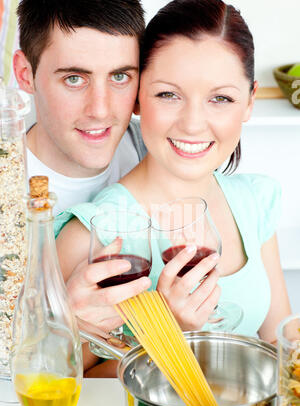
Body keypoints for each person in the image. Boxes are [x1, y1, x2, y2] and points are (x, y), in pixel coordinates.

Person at [56, 0, 292, 377]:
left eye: (221, 98)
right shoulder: (92, 234)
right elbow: (72, 385)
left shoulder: (254, 201)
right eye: (168, 94)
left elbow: (280, 339)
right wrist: (169, 332)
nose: (194, 124)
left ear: (249, 101)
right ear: (136, 98)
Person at [13, 0, 152, 339]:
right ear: (25, 74)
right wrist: (53, 326)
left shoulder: (154, 150)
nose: (100, 110)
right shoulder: (7, 186)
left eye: (120, 77)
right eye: (74, 78)